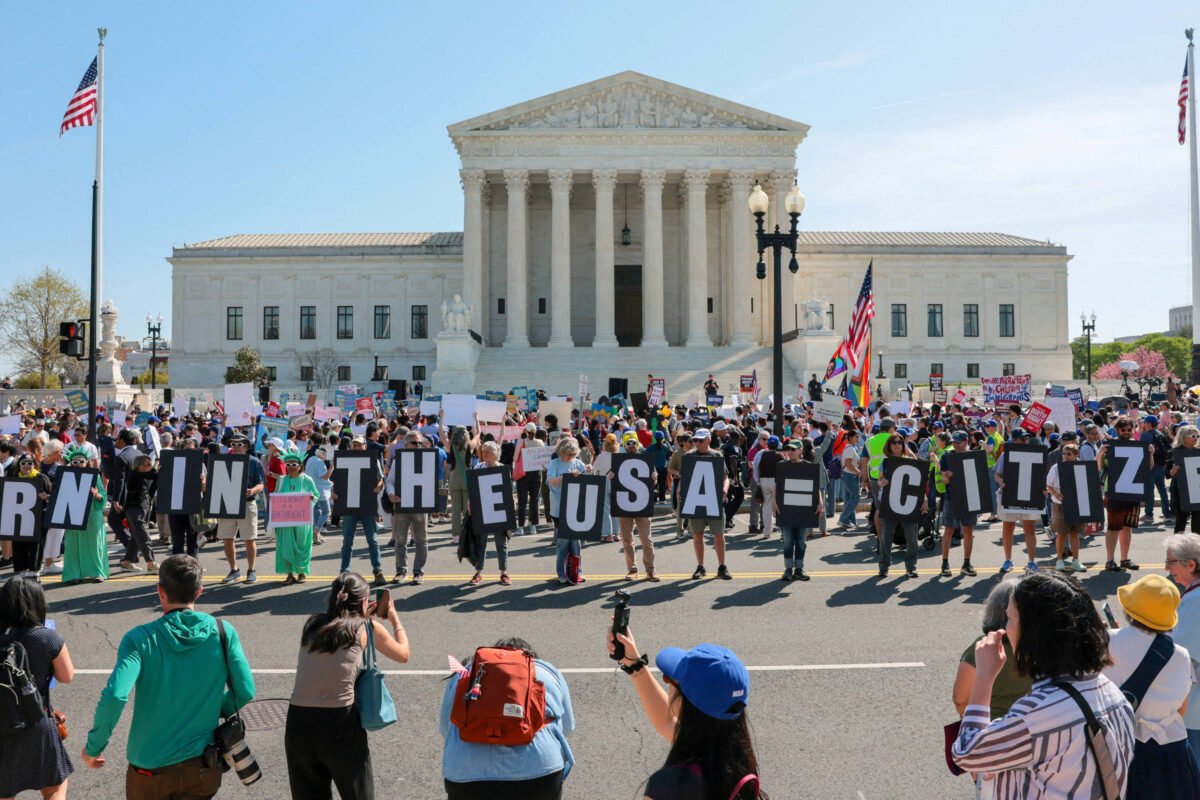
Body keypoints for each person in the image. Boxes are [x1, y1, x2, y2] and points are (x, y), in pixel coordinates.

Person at [83, 555, 256, 799]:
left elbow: (115, 695)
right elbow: (245, 691)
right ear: (199, 591)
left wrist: (94, 747)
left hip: (150, 768)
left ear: (160, 591)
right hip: (203, 764)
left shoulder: (139, 638)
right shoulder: (223, 632)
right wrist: (211, 709)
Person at [951, 572, 1136, 798]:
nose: (1005, 628)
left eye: (1010, 619)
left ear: (1033, 632)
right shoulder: (1113, 693)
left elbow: (966, 753)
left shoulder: (1036, 713)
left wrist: (984, 675)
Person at [286, 572, 411, 800]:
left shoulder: (312, 624)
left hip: (298, 722)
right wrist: (394, 618)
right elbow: (403, 654)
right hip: (339, 724)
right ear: (364, 603)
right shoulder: (367, 627)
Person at [606, 626, 765, 800]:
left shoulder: (671, 786)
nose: (667, 684)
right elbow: (666, 722)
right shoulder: (736, 764)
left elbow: (668, 722)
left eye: (669, 679)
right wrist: (634, 665)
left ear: (683, 701)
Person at [439, 637, 574, 799]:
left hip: (466, 773)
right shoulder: (545, 671)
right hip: (539, 769)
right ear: (530, 657)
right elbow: (567, 727)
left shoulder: (466, 673)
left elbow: (446, 729)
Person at [1103, 574, 1200, 798]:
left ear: (1129, 610)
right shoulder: (1180, 655)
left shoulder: (1107, 641)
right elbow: (1181, 710)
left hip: (1120, 748)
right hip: (1170, 752)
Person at [0, 577, 75, 800]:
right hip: (36, 719)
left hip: (2, 722)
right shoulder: (46, 637)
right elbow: (67, 676)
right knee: (54, 787)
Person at [1164, 532, 1200, 773]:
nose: (1167, 569)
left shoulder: (1196, 600)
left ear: (1191, 564)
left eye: (1171, 562)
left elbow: (1179, 651)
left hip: (1195, 706)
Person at [334, 438, 386, 587]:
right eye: (354, 445)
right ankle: (344, 571)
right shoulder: (344, 459)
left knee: (372, 540)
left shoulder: (372, 460)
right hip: (349, 505)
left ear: (365, 446)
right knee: (347, 541)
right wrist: (334, 492)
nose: (357, 447)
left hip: (366, 505)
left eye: (359, 445)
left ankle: (378, 571)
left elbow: (380, 478)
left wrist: (378, 486)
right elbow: (338, 479)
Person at [216, 435, 266, 584]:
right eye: (234, 444)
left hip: (247, 503)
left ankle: (251, 570)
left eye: (240, 444)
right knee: (227, 539)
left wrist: (253, 490)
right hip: (227, 504)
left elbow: (261, 484)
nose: (236, 446)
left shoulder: (254, 462)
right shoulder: (223, 461)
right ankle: (234, 570)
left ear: (246, 446)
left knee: (249, 539)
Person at [875, 434, 924, 579]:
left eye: (899, 442)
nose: (897, 445)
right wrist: (881, 482)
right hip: (889, 503)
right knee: (886, 537)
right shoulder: (885, 462)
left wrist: (924, 499)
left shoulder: (911, 461)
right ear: (889, 446)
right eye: (894, 442)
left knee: (912, 537)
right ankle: (883, 567)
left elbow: (919, 483)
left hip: (908, 504)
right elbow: (879, 481)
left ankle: (911, 567)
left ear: (903, 445)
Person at [386, 430, 432, 585]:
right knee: (400, 540)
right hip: (403, 504)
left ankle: (418, 572)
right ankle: (401, 571)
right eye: (414, 443)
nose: (418, 445)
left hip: (420, 505)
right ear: (406, 445)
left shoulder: (426, 459)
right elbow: (390, 481)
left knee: (421, 540)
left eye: (420, 443)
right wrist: (391, 494)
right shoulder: (399, 460)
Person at [60, 444, 109, 585]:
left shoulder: (94, 476)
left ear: (87, 462)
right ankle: (73, 574)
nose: (79, 464)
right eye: (75, 462)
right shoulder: (66, 477)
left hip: (92, 515)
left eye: (81, 461)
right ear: (71, 463)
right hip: (73, 516)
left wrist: (97, 495)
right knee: (73, 545)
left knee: (94, 544)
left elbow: (103, 497)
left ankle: (97, 572)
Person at [610, 434, 657, 581]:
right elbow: (611, 481)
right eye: (628, 443)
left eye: (634, 443)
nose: (631, 446)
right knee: (627, 539)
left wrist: (654, 478)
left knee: (646, 538)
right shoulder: (618, 462)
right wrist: (610, 476)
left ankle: (650, 570)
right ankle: (632, 569)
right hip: (624, 505)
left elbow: (653, 483)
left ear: (638, 444)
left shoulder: (645, 461)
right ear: (624, 445)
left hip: (642, 504)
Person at [993, 429, 1041, 575]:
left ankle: (1031, 562)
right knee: (1008, 528)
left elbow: (1041, 474)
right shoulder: (1006, 454)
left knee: (1030, 529)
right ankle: (1008, 560)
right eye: (1022, 439)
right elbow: (997, 473)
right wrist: (1000, 482)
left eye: (1026, 438)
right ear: (1014, 440)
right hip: (1010, 494)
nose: (1025, 441)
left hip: (1029, 495)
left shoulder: (1034, 453)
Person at [1098, 416, 1142, 573]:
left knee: (1127, 527)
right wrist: (1100, 454)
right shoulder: (1109, 446)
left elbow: (1147, 468)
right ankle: (1110, 560)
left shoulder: (1137, 445)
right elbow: (1098, 468)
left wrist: (1150, 453)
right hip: (1114, 491)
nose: (1127, 432)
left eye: (1129, 429)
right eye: (1123, 430)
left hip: (1132, 490)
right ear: (1117, 430)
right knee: (1114, 526)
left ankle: (1125, 559)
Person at [274, 451, 321, 585]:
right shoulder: (281, 480)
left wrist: (311, 498)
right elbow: (276, 496)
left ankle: (301, 573)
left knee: (302, 545)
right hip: (285, 521)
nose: (290, 467)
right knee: (285, 546)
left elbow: (316, 495)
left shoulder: (307, 479)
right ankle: (289, 575)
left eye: (294, 464)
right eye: (288, 465)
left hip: (302, 520)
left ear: (300, 466)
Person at [546, 437, 588, 585]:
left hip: (575, 508)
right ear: (561, 452)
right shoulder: (554, 463)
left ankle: (577, 571)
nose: (570, 457)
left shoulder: (578, 463)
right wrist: (565, 477)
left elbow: (587, 481)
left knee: (576, 541)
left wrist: (587, 471)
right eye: (567, 454)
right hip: (559, 508)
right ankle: (561, 572)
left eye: (573, 454)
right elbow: (551, 481)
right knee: (563, 542)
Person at [774, 439, 817, 581]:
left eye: (793, 449)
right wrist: (774, 502)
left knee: (801, 541)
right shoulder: (782, 466)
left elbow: (815, 487)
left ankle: (799, 568)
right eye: (788, 449)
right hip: (786, 509)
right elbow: (776, 485)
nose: (790, 452)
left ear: (800, 450)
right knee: (787, 541)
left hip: (803, 510)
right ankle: (788, 569)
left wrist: (820, 503)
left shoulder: (808, 466)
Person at [936, 431, 978, 577]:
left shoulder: (973, 456)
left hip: (969, 497)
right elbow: (944, 478)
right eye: (953, 441)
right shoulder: (947, 456)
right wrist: (946, 477)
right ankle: (944, 563)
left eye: (958, 442)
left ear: (966, 442)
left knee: (968, 530)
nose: (955, 444)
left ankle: (966, 563)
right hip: (952, 496)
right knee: (949, 529)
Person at [1045, 443, 1088, 573]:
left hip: (1076, 504)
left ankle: (1076, 560)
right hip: (1060, 504)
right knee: (1061, 534)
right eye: (1064, 454)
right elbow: (1049, 485)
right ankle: (1059, 560)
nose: (1065, 456)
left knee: (1075, 534)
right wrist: (1055, 493)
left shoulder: (1082, 467)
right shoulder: (1056, 468)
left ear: (1076, 455)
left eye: (1069, 454)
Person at [9, 454, 52, 578]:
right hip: (18, 517)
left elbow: (52, 496)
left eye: (30, 463)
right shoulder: (14, 477)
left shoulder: (41, 477)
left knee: (36, 544)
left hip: (38, 517)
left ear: (35, 464)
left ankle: (34, 570)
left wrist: (46, 497)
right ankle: (21, 570)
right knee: (19, 543)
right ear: (19, 465)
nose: (26, 466)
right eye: (23, 463)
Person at [114, 455, 158, 574]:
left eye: (150, 464)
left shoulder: (143, 475)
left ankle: (127, 562)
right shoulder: (135, 474)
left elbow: (155, 479)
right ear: (139, 466)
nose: (150, 467)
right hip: (134, 510)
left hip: (142, 509)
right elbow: (153, 474)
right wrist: (157, 468)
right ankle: (151, 563)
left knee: (136, 537)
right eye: (147, 464)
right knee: (143, 536)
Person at [836, 429, 862, 530]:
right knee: (855, 497)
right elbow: (848, 463)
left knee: (849, 498)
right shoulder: (850, 449)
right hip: (849, 475)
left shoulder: (851, 448)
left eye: (858, 436)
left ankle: (850, 521)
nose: (858, 438)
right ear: (850, 438)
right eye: (856, 437)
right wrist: (858, 471)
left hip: (848, 475)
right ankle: (844, 519)